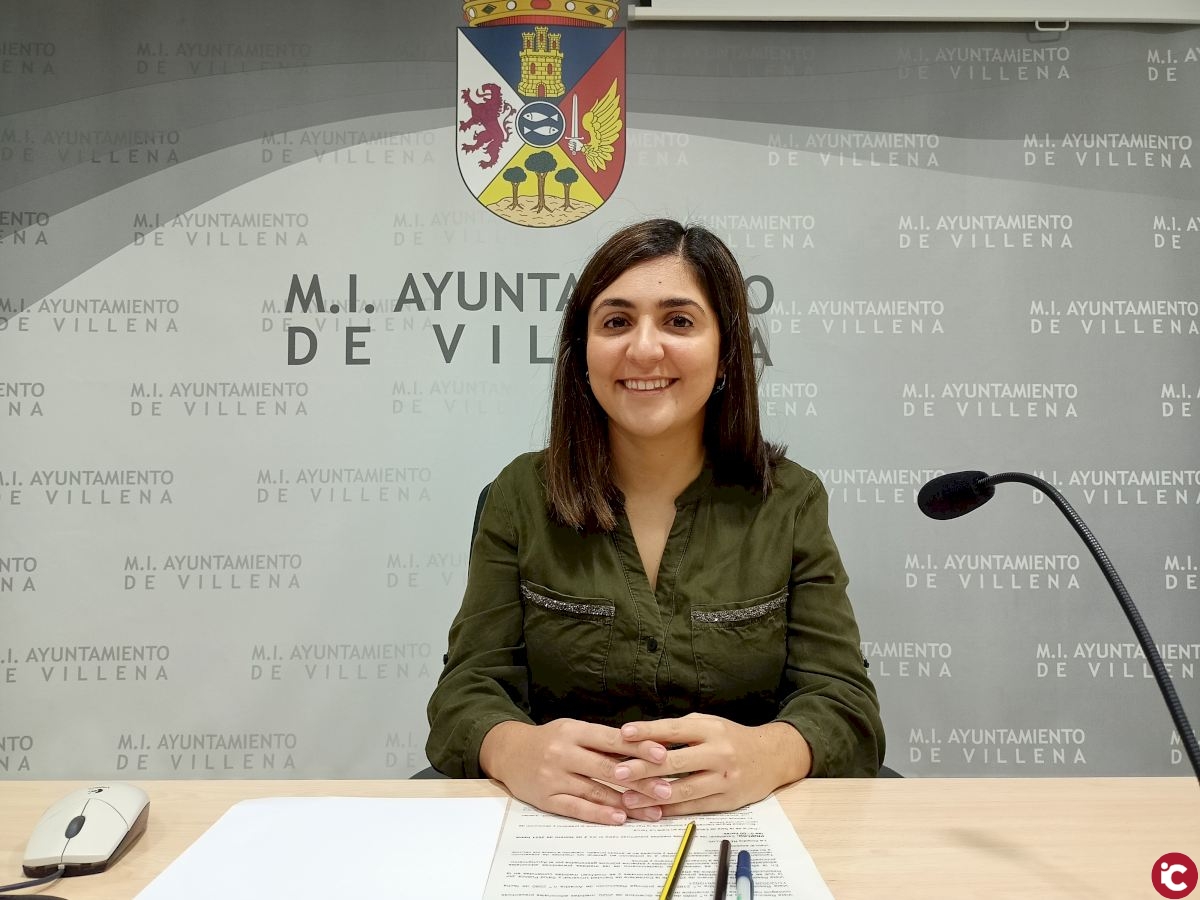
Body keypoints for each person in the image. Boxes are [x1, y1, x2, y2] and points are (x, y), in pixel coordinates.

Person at [426, 218, 883, 825]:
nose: (643, 349)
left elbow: (845, 703)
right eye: (616, 322)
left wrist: (768, 755)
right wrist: (513, 749)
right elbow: (465, 693)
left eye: (679, 321)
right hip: (562, 826)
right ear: (581, 354)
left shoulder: (790, 501)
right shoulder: (520, 496)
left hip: (740, 826)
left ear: (726, 352)